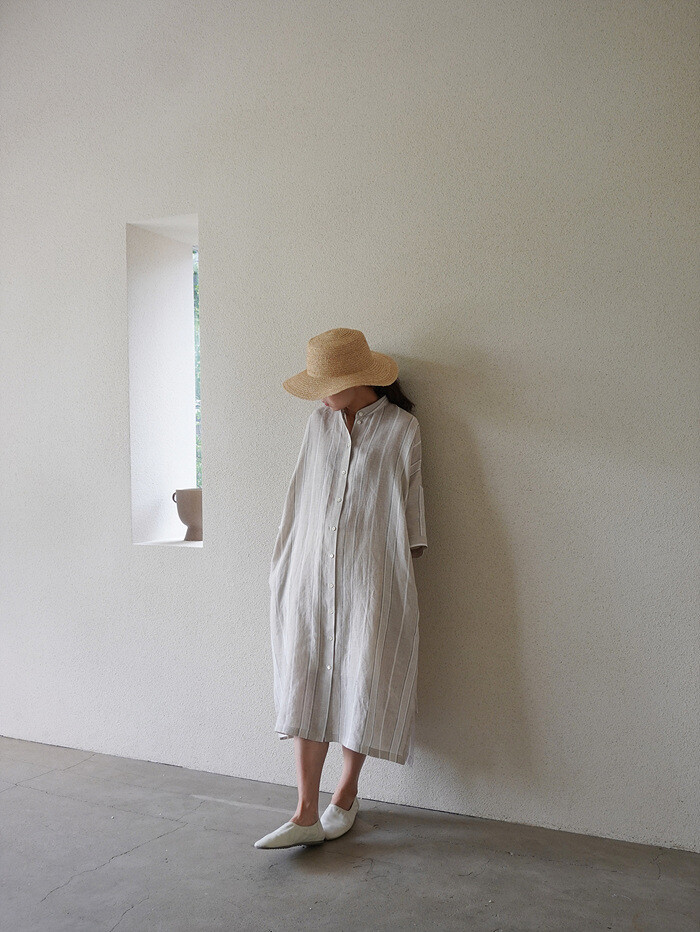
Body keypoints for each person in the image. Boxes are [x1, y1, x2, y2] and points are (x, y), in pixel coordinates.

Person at [254, 327, 428, 849]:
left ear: (357, 379)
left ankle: (345, 796)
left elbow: (411, 511)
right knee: (306, 677)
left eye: (326, 384)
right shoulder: (318, 424)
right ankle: (305, 811)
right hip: (310, 573)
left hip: (369, 576)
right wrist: (286, 564)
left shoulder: (403, 429)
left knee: (361, 681)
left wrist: (393, 571)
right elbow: (301, 497)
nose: (321, 395)